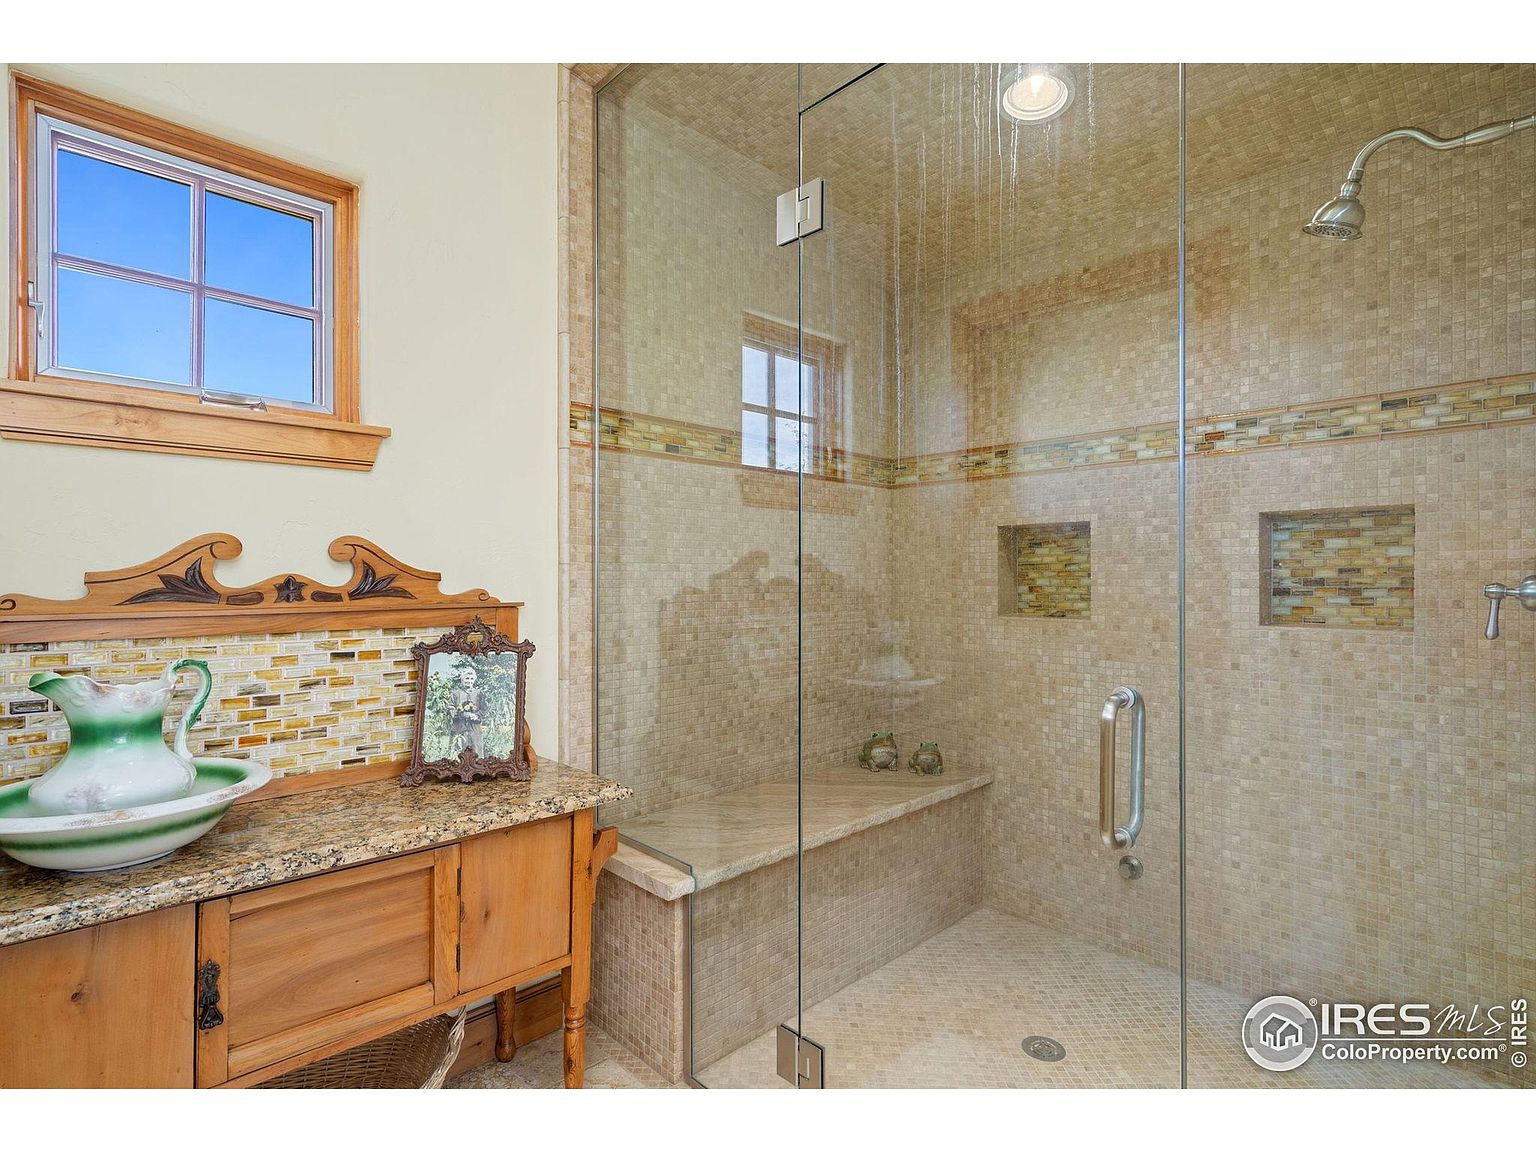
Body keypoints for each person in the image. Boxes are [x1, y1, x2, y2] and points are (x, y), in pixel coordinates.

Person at [448, 663, 487, 757]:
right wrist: (459, 714)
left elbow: (484, 709)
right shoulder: (456, 694)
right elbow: (450, 707)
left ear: (474, 680)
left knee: (476, 751)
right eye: (466, 678)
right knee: (459, 751)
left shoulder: (479, 693)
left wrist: (476, 715)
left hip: (474, 727)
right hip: (459, 727)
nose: (469, 681)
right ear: (462, 679)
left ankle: (478, 770)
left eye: (471, 679)